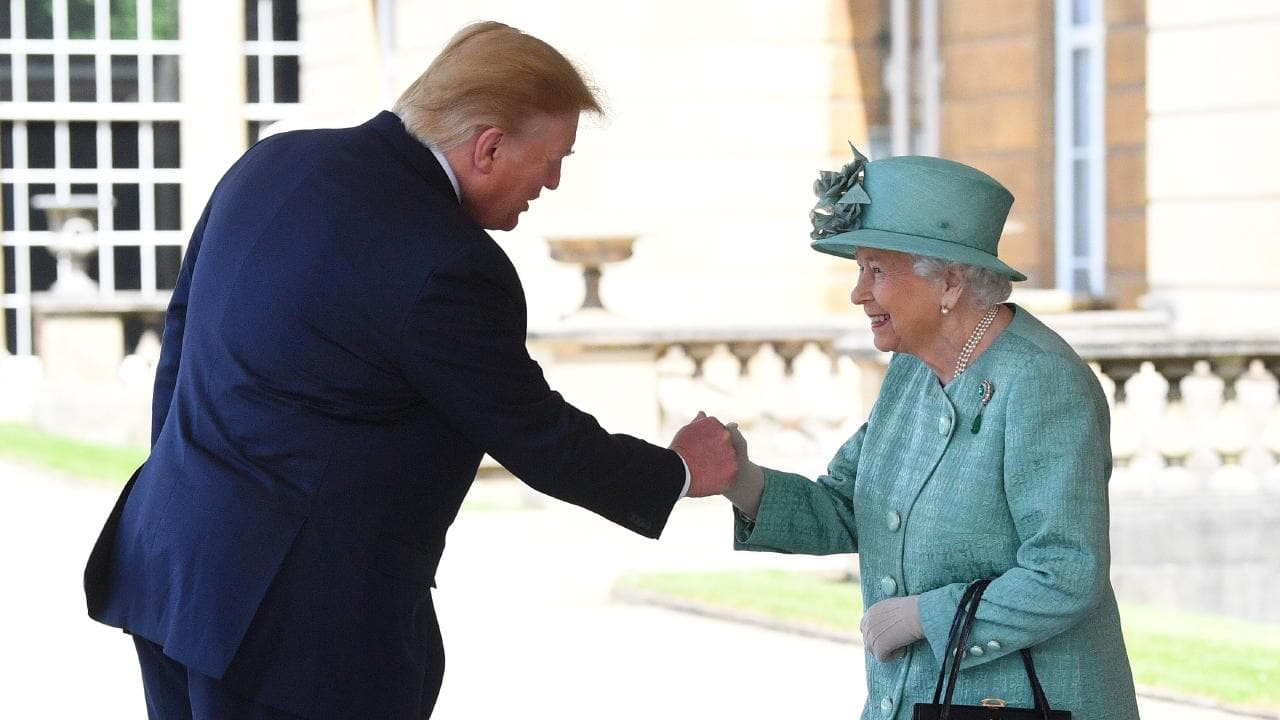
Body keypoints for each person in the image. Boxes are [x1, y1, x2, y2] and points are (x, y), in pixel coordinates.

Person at [83, 21, 737, 720]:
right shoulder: (451, 262)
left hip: (170, 566)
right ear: (487, 146)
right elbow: (535, 435)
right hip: (295, 638)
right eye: (553, 160)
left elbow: (179, 350)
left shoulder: (271, 163)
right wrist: (678, 473)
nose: (552, 182)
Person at [717, 150, 1140, 718]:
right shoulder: (914, 370)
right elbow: (849, 502)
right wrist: (739, 481)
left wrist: (924, 617)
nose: (858, 293)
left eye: (877, 271)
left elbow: (1065, 573)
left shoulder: (1041, 384)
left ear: (947, 281)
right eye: (859, 269)